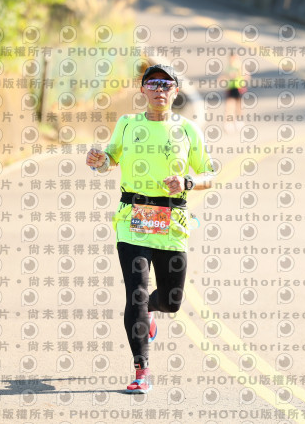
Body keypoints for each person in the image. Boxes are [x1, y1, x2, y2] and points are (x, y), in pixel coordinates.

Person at [85, 64, 215, 394]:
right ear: (142, 90)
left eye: (166, 84)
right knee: (137, 295)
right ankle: (141, 370)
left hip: (172, 221)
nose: (159, 89)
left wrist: (187, 182)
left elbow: (209, 175)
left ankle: (151, 314)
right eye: (153, 83)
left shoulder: (188, 130)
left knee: (172, 301)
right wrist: (98, 161)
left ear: (175, 92)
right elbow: (109, 160)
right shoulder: (128, 124)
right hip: (133, 219)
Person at [221, 53, 250, 132]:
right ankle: (228, 123)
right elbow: (225, 76)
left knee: (238, 105)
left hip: (238, 88)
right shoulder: (229, 67)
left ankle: (239, 120)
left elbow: (246, 75)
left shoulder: (239, 66)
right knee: (229, 106)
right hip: (231, 88)